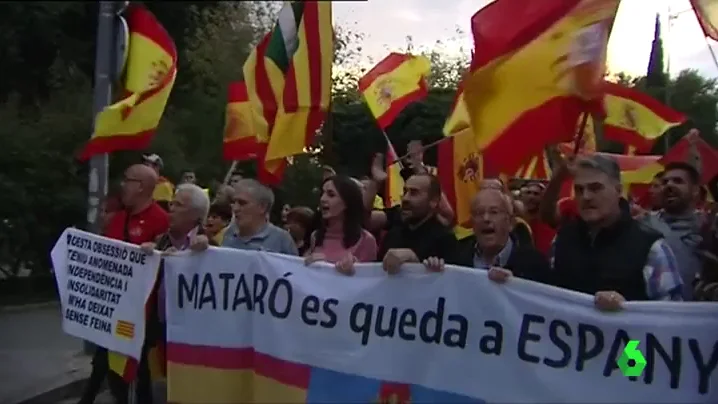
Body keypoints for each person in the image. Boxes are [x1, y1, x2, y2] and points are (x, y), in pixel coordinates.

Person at [78, 164, 169, 404]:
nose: (122, 185)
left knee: (137, 373)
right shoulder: (118, 218)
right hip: (112, 310)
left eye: (127, 180)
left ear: (140, 187)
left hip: (141, 315)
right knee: (106, 364)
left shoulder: (161, 221)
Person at [549, 155, 683, 311]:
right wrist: (514, 284)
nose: (586, 196)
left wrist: (627, 310)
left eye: (595, 188)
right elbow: (543, 296)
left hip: (633, 336)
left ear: (618, 190)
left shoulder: (651, 247)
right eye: (579, 190)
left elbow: (671, 319)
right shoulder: (563, 238)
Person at [450, 189, 550, 283]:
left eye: (494, 212)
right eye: (479, 213)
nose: (486, 218)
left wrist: (515, 284)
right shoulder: (455, 259)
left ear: (510, 222)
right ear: (472, 223)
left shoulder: (535, 264)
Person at [640, 162, 703, 300]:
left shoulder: (708, 228)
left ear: (695, 190)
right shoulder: (642, 226)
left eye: (678, 181)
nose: (669, 185)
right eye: (664, 182)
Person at [379, 173, 457, 274]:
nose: (405, 198)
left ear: (433, 201)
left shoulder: (446, 241)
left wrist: (417, 262)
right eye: (405, 191)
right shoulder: (392, 236)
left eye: (414, 193)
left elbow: (453, 282)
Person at [305, 176, 378, 274]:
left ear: (347, 201)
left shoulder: (366, 240)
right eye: (322, 194)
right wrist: (307, 262)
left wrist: (356, 269)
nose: (323, 199)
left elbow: (370, 280)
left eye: (331, 195)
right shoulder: (315, 236)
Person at [222, 179, 297, 254]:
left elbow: (293, 265)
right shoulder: (229, 233)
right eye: (234, 202)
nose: (235, 208)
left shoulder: (282, 240)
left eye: (242, 203)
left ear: (262, 207)